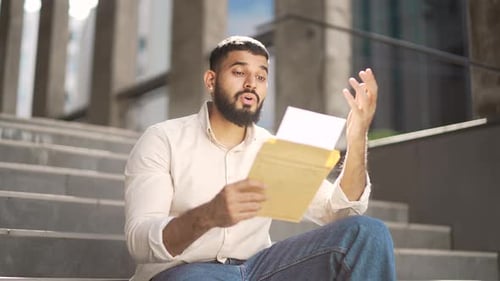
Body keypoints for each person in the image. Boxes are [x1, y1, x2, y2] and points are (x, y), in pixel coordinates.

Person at [124, 36, 396, 281]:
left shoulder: (275, 147)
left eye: (261, 77)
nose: (251, 84)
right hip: (185, 271)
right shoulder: (163, 139)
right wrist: (208, 215)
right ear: (211, 80)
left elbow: (340, 214)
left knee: (367, 233)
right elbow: (139, 241)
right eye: (239, 72)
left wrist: (358, 136)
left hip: (259, 269)